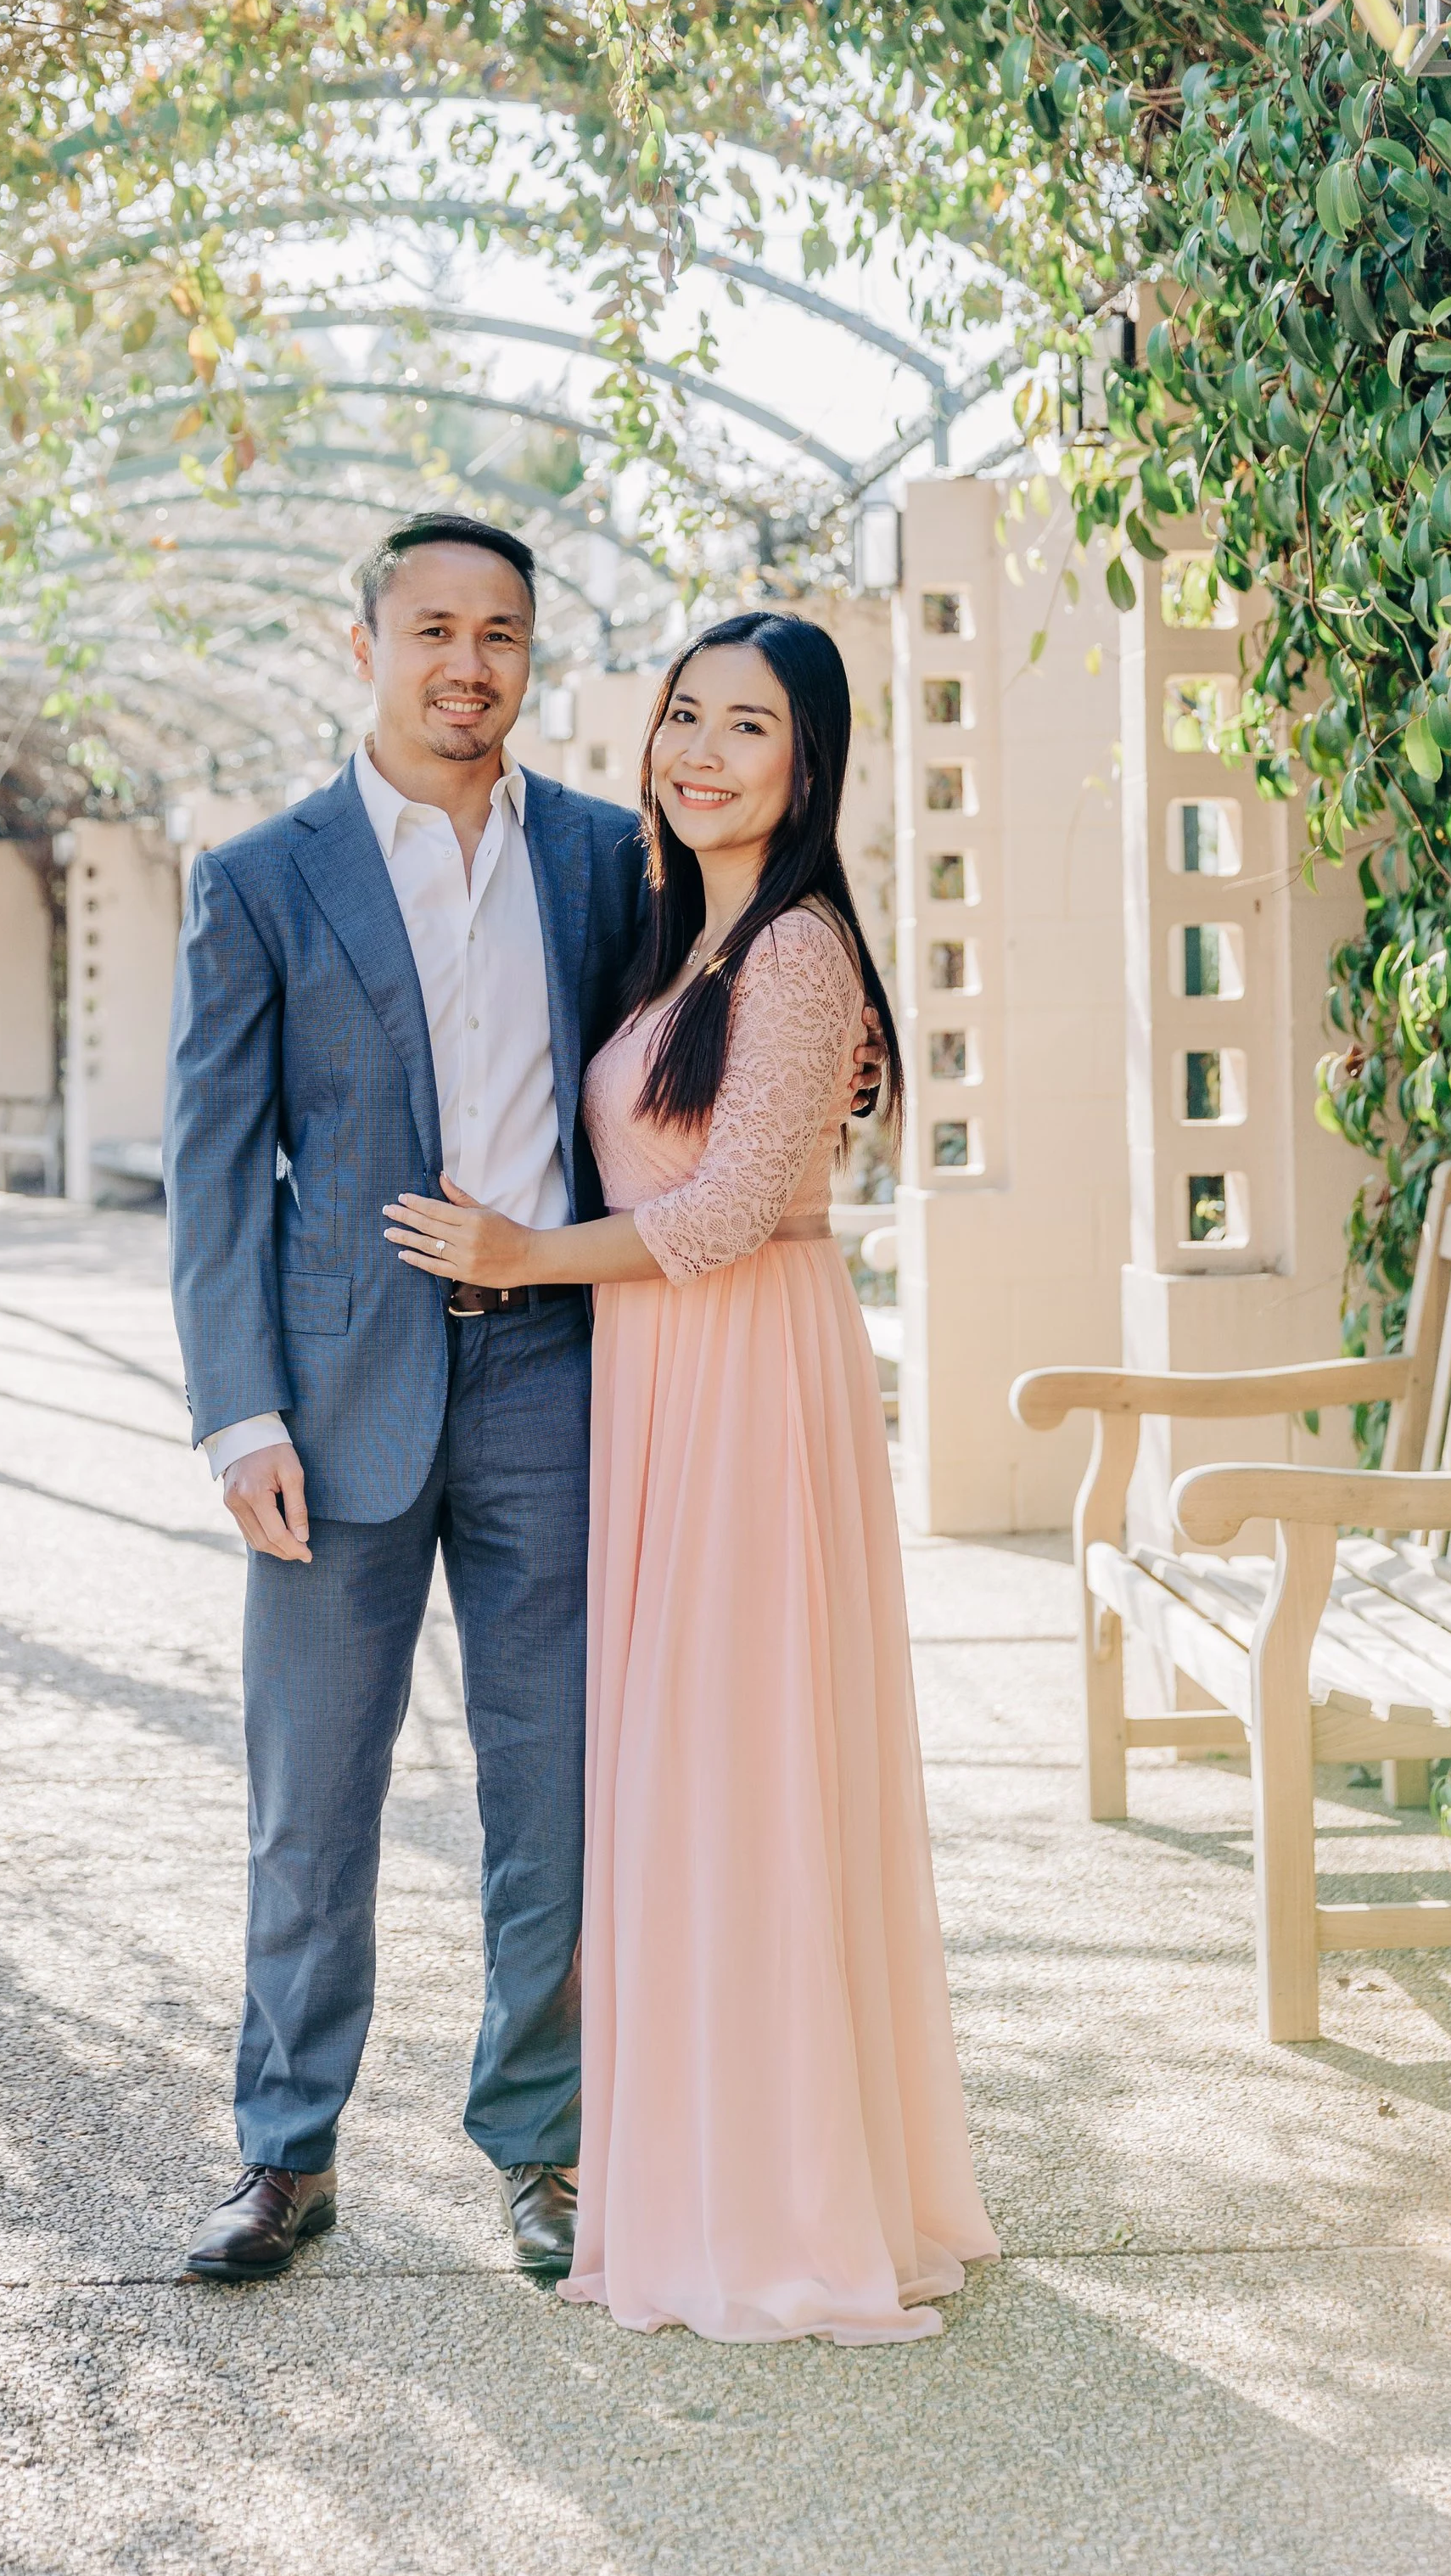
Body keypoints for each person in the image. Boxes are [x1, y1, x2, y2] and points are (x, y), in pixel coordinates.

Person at [387, 611, 997, 2342]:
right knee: (685, 1778)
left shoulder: (794, 951)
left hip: (739, 1379)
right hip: (663, 1373)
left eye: (747, 727)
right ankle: (705, 2162)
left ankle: (775, 2201)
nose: (701, 753)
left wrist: (519, 1248)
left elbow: (728, 1213)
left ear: (808, 764)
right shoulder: (682, 934)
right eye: (682, 718)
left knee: (743, 1776)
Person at [162, 513, 643, 2284]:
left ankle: (543, 2147)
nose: (468, 663)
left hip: (550, 1379)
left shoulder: (605, 859)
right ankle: (282, 2156)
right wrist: (238, 1415)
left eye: (500, 633)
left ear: (530, 658)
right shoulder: (260, 878)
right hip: (330, 1395)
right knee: (310, 1795)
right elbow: (212, 1173)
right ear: (356, 638)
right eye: (433, 627)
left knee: (558, 1791)